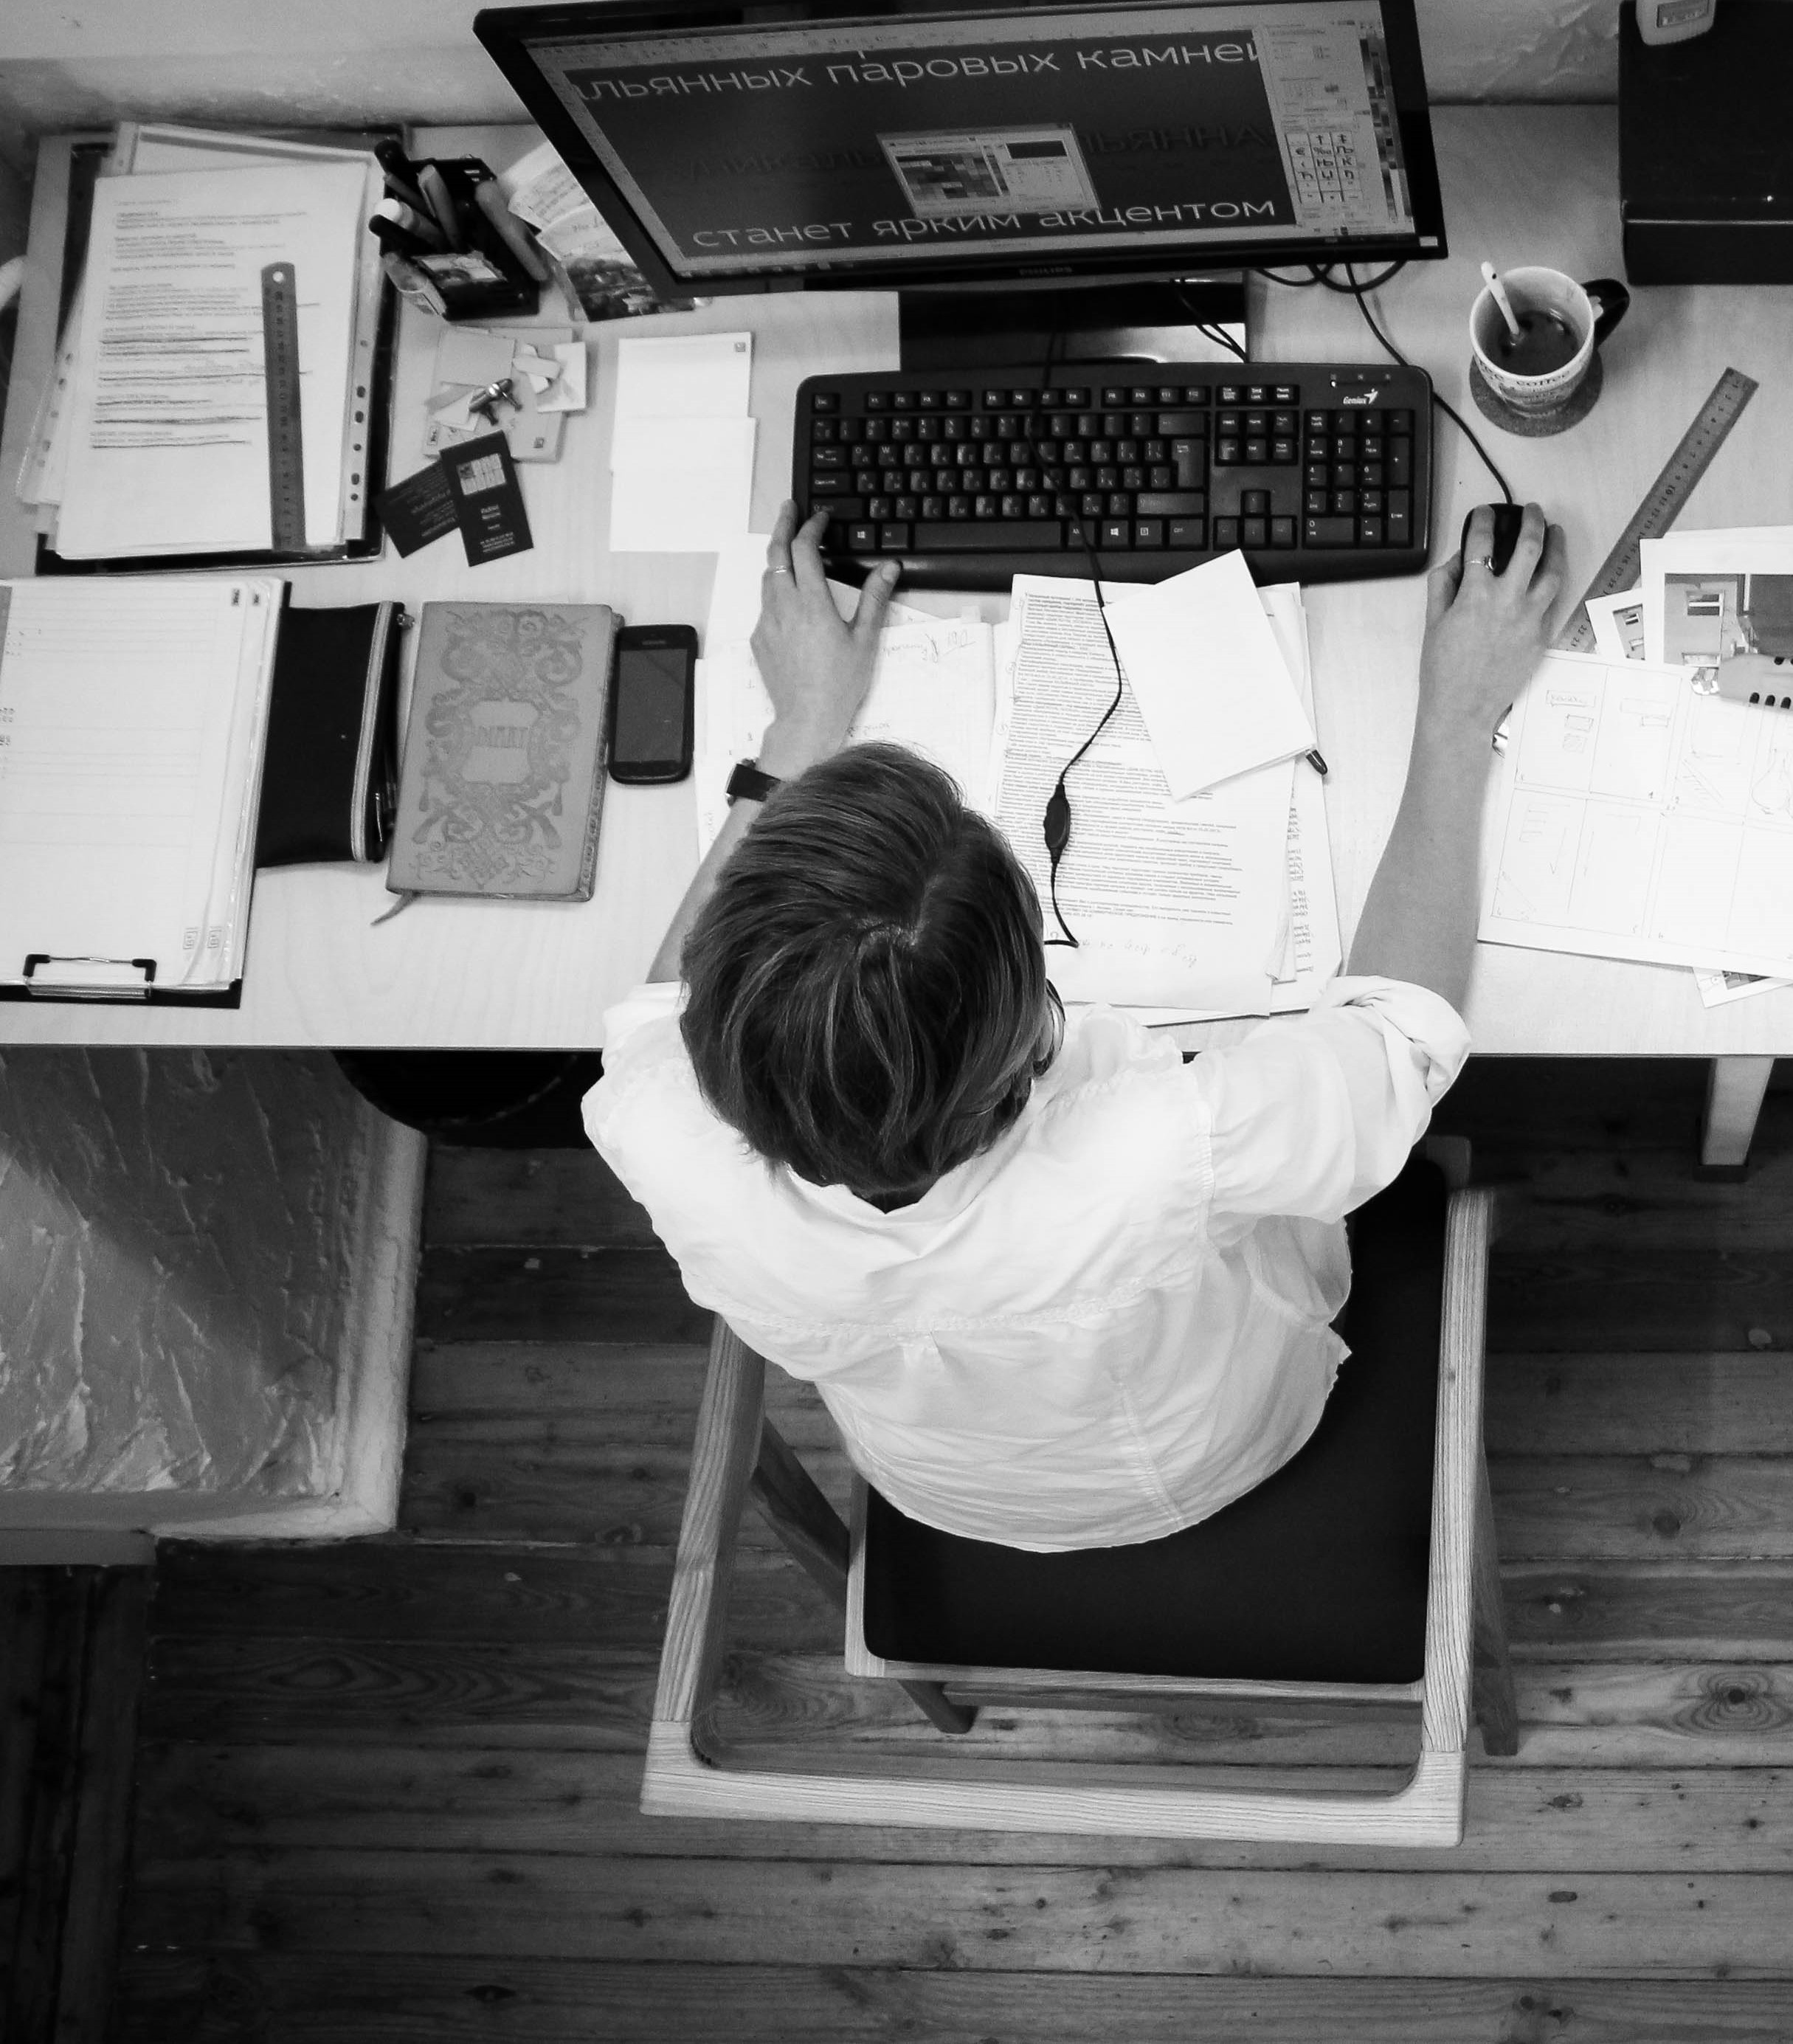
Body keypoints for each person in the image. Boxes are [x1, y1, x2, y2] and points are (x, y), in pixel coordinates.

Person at [584, 500, 1564, 1552]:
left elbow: (657, 1009)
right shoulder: (1153, 1150)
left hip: (935, 1483)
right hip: (1210, 1451)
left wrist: (795, 735)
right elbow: (1396, 1038)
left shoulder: (652, 1128)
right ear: (1026, 1019)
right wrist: (1459, 715)